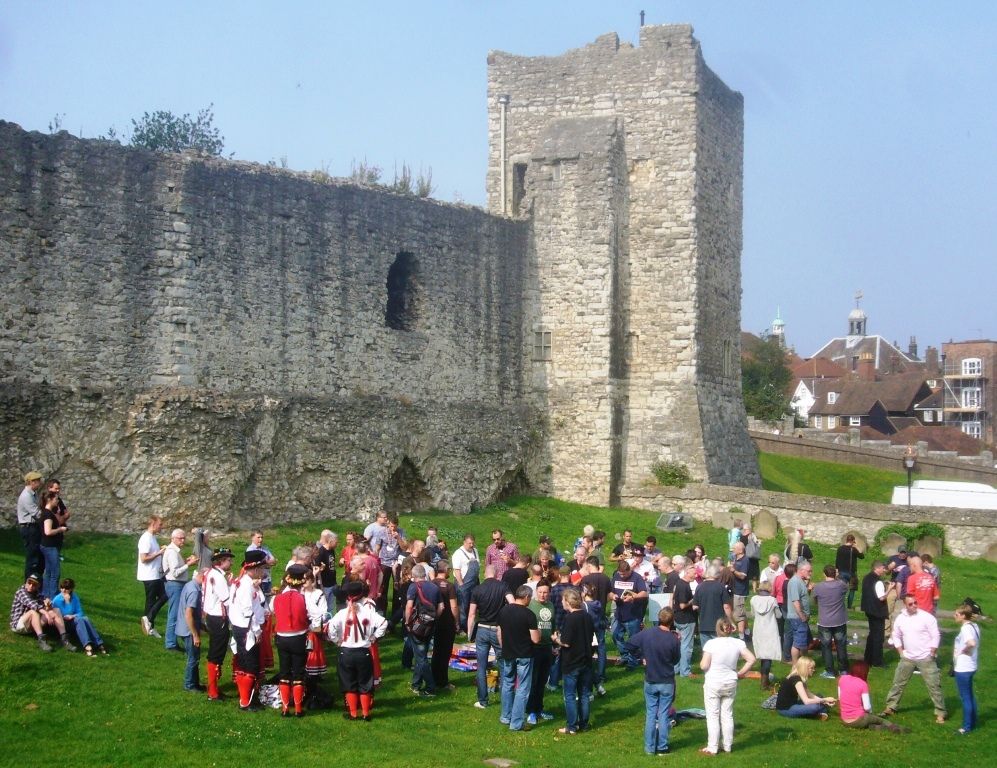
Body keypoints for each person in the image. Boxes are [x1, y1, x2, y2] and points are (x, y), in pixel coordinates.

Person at [880, 594, 947, 724]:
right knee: (898, 683)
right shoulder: (901, 618)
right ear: (905, 605)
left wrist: (932, 651)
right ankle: (890, 707)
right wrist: (901, 651)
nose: (914, 605)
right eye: (911, 604)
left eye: (916, 602)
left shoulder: (926, 617)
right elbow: (896, 635)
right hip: (908, 658)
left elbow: (935, 635)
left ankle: (940, 712)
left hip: (925, 658)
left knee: (934, 686)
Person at [328, 580, 388, 721]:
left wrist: (337, 640)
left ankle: (353, 713)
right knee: (365, 683)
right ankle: (366, 713)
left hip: (346, 652)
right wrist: (373, 637)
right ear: (362, 594)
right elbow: (384, 623)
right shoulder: (368, 612)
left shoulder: (342, 613)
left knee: (349, 683)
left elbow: (331, 628)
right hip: (364, 652)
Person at [626, 607, 682, 755]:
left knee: (651, 714)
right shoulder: (673, 639)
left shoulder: (647, 633)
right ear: (672, 621)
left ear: (659, 618)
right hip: (666, 681)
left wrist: (640, 657)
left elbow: (629, 645)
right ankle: (662, 747)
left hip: (650, 680)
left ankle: (649, 748)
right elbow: (676, 660)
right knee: (663, 715)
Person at [699, 619, 756, 755]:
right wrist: (740, 673)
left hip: (713, 682)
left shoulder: (711, 644)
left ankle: (712, 747)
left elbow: (704, 666)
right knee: (727, 714)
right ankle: (728, 746)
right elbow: (752, 659)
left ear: (718, 629)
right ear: (730, 629)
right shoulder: (738, 643)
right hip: (730, 681)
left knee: (713, 715)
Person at [467, 564, 513, 708]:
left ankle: (483, 701)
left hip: (482, 629)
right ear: (497, 573)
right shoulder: (503, 586)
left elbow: (472, 614)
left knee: (481, 666)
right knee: (503, 664)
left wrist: (469, 634)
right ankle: (507, 700)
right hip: (498, 629)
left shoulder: (477, 589)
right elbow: (512, 603)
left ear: (484, 574)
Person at [497, 585, 539, 731]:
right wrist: (538, 631)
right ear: (526, 597)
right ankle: (516, 723)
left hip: (508, 653)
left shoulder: (504, 610)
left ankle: (505, 716)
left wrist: (504, 646)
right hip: (524, 655)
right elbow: (535, 639)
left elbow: (499, 632)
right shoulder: (529, 615)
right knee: (522, 689)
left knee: (507, 684)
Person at [230, 549, 268, 711]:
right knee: (249, 665)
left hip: (241, 628)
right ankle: (245, 701)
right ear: (254, 569)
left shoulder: (242, 582)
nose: (262, 572)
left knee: (245, 663)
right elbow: (247, 612)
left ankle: (248, 698)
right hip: (247, 630)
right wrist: (257, 631)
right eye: (261, 568)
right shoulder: (246, 586)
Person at [553, 587, 594, 735]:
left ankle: (571, 726)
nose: (562, 603)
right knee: (584, 694)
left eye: (563, 600)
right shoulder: (587, 616)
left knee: (569, 695)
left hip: (571, 662)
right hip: (586, 660)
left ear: (568, 602)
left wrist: (556, 639)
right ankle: (584, 723)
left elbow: (566, 642)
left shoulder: (570, 618)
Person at [273, 564, 310, 717]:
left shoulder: (277, 598)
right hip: (298, 637)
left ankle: (285, 707)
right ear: (301, 582)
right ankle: (298, 708)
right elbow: (312, 616)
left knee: (284, 671)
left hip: (281, 637)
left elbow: (271, 611)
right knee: (298, 672)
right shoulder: (302, 598)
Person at [405, 563, 444, 698]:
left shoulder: (413, 587)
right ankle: (416, 684)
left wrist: (407, 622)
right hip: (430, 626)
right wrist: (434, 619)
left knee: (421, 658)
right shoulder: (434, 587)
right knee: (421, 654)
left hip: (417, 626)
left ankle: (430, 687)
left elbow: (409, 606)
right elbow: (441, 607)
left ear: (414, 576)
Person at [10, 573, 75, 652]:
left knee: (56, 610)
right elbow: (34, 605)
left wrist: (48, 604)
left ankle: (65, 640)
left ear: (38, 586)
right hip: (19, 625)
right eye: (29, 583)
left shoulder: (37, 593)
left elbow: (45, 603)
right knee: (33, 612)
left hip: (30, 625)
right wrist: (47, 614)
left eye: (34, 584)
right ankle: (41, 640)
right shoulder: (21, 592)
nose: (31, 586)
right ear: (26, 582)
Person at [838, 661, 907, 732]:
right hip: (859, 718)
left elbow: (840, 698)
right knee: (880, 720)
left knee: (867, 724)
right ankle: (894, 727)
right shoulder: (863, 684)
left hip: (845, 720)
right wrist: (870, 713)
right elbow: (867, 707)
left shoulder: (842, 679)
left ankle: (879, 728)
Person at [203, 547, 234, 702]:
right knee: (216, 654)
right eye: (229, 560)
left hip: (212, 616)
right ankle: (213, 691)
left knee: (216, 653)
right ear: (221, 562)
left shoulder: (211, 573)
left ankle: (214, 688)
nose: (231, 562)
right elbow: (226, 599)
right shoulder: (219, 577)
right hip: (219, 617)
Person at [162, 528, 198, 651]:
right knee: (174, 614)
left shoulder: (175, 551)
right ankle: (170, 643)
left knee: (175, 613)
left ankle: (172, 642)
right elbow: (175, 572)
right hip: (175, 584)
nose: (182, 540)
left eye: (184, 538)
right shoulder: (172, 552)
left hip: (176, 584)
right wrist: (189, 564)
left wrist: (186, 562)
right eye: (180, 538)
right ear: (173, 539)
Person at [609, 559, 648, 669]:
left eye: (624, 574)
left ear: (629, 570)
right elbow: (610, 591)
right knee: (615, 635)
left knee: (633, 640)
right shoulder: (616, 576)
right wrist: (613, 596)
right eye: (620, 573)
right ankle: (624, 655)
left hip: (633, 615)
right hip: (619, 613)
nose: (622, 576)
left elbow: (644, 593)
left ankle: (633, 661)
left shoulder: (637, 578)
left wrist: (633, 597)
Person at [52, 577, 106, 656]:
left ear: (71, 589)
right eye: (62, 588)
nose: (63, 590)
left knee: (85, 618)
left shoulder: (75, 597)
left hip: (73, 620)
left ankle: (98, 643)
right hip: (63, 624)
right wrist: (67, 602)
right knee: (79, 620)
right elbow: (63, 614)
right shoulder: (57, 599)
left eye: (66, 588)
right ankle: (88, 645)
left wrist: (73, 616)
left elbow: (80, 612)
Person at [812, 564, 849, 678]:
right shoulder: (841, 585)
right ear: (835, 574)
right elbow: (845, 590)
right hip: (839, 620)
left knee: (826, 646)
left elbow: (814, 600)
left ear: (824, 574)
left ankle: (830, 671)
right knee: (841, 645)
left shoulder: (818, 587)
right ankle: (843, 670)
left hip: (824, 621)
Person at [526, 581, 555, 725]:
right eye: (540, 592)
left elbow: (553, 625)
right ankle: (531, 711)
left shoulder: (551, 605)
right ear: (536, 591)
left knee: (543, 681)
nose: (543, 595)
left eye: (546, 592)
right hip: (534, 648)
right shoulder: (530, 605)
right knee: (534, 681)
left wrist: (554, 643)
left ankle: (539, 708)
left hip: (547, 647)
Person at [137, 515, 167, 638]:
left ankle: (148, 622)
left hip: (155, 574)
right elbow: (143, 558)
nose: (161, 527)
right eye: (160, 524)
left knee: (164, 596)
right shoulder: (145, 539)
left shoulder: (153, 538)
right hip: (149, 575)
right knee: (152, 600)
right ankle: (148, 623)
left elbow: (151, 553)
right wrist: (159, 553)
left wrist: (159, 550)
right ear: (153, 524)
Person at [176, 569, 205, 692]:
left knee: (194, 657)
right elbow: (189, 614)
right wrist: (195, 635)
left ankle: (195, 683)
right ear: (202, 577)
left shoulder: (189, 585)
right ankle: (189, 685)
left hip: (183, 627)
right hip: (189, 631)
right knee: (193, 659)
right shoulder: (194, 591)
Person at [431, 560, 459, 691]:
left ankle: (433, 678)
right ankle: (443, 681)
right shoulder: (449, 586)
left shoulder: (431, 584)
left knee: (436, 651)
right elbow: (453, 606)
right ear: (446, 570)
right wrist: (457, 621)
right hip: (447, 622)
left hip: (434, 621)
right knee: (445, 652)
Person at [952, 604, 979, 735]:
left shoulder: (965, 629)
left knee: (965, 697)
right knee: (970, 695)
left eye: (957, 614)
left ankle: (966, 727)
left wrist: (963, 651)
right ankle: (973, 721)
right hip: (972, 665)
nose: (954, 616)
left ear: (963, 616)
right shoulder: (974, 626)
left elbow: (971, 643)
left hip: (963, 667)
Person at [750, 579, 781, 689]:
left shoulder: (753, 599)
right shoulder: (772, 600)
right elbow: (778, 615)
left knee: (763, 656)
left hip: (758, 629)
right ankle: (764, 682)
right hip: (770, 629)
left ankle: (764, 680)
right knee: (768, 656)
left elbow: (753, 614)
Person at [860, 560, 892, 667]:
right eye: (882, 568)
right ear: (877, 568)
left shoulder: (866, 578)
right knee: (878, 637)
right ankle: (877, 661)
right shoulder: (878, 581)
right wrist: (889, 589)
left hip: (869, 610)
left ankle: (868, 658)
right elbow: (881, 597)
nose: (884, 570)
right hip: (877, 611)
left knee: (872, 635)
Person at [693, 563, 733, 647]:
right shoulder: (721, 587)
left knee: (707, 650)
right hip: (718, 625)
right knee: (719, 649)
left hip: (703, 624)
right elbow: (726, 606)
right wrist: (730, 621)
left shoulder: (699, 587)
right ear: (717, 575)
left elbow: (695, 606)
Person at [39, 490, 69, 599]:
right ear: (49, 500)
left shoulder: (47, 512)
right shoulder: (47, 514)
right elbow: (48, 531)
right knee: (54, 573)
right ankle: (52, 596)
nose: (57, 501)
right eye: (56, 499)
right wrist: (60, 529)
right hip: (50, 546)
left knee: (48, 571)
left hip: (47, 546)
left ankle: (45, 594)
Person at [16, 471, 44, 580]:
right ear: (31, 482)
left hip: (33, 527)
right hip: (29, 528)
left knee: (37, 555)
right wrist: (48, 515)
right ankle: (29, 581)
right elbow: (36, 513)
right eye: (37, 481)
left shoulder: (33, 494)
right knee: (32, 557)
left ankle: (37, 580)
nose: (40, 483)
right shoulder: (27, 496)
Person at [672, 560, 698, 677]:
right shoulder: (684, 586)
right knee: (686, 646)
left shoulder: (679, 583)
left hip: (678, 618)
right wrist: (693, 601)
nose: (695, 575)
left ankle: (676, 669)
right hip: (686, 620)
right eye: (694, 574)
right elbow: (683, 605)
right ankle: (685, 671)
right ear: (687, 573)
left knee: (679, 645)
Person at [451, 532, 480, 633]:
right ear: (464, 542)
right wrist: (461, 584)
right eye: (469, 543)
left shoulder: (475, 551)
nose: (471, 545)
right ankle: (462, 628)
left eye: (473, 543)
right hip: (463, 583)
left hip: (475, 583)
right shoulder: (458, 553)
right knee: (463, 607)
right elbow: (456, 570)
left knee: (473, 606)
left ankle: (471, 626)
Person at [787, 561, 813, 663]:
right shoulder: (795, 582)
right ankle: (795, 665)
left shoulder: (800, 581)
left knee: (803, 642)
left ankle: (804, 664)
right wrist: (801, 615)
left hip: (800, 617)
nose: (810, 573)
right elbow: (795, 600)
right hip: (797, 617)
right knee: (798, 643)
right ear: (801, 570)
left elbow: (803, 597)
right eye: (809, 571)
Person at [835, 534, 864, 609]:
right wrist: (856, 546)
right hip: (852, 572)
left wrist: (837, 570)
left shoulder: (840, 548)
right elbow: (862, 556)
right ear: (853, 541)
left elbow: (837, 560)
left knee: (841, 589)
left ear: (846, 540)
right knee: (852, 590)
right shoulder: (853, 549)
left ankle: (840, 605)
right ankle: (849, 606)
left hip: (841, 571)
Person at [246, 530, 278, 598]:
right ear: (252, 538)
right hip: (258, 579)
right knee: (260, 598)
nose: (261, 539)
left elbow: (274, 560)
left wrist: (266, 563)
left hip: (267, 578)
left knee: (268, 598)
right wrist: (267, 563)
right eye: (258, 537)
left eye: (262, 537)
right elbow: (255, 565)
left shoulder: (265, 548)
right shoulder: (250, 550)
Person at [730, 541, 751, 638]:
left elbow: (743, 576)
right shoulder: (736, 558)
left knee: (739, 615)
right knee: (741, 611)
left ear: (740, 550)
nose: (733, 549)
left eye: (734, 548)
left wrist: (734, 571)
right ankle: (747, 632)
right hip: (735, 589)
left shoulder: (745, 560)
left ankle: (741, 637)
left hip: (741, 590)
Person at [313, 529, 338, 608]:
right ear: (330, 541)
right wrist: (321, 568)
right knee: (324, 606)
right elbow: (315, 567)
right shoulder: (321, 552)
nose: (337, 544)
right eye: (336, 542)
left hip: (333, 582)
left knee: (331, 606)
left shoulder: (331, 550)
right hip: (325, 584)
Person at [740, 523, 762, 590]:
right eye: (743, 529)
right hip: (746, 556)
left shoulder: (752, 535)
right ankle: (746, 587)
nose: (744, 531)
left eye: (745, 529)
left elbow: (757, 543)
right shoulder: (742, 536)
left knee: (754, 574)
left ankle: (754, 589)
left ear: (749, 529)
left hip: (752, 557)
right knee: (746, 572)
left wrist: (758, 542)